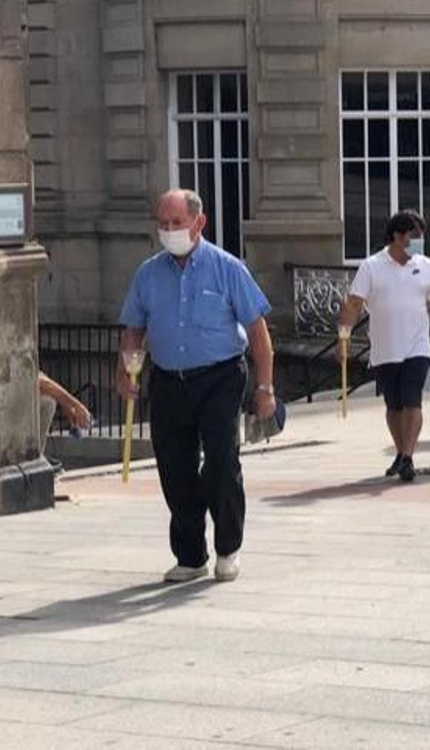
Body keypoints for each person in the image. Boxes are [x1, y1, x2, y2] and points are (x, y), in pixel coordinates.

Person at [117, 189, 275, 584]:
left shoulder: (227, 268)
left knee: (221, 460)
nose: (169, 231)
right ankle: (189, 555)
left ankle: (227, 548)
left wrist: (265, 388)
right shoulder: (148, 274)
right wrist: (124, 370)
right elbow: (133, 330)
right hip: (169, 379)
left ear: (198, 223)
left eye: (177, 223)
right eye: (163, 223)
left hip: (220, 377)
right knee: (175, 468)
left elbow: (257, 331)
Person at [338, 210, 430, 483]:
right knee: (393, 405)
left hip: (417, 346)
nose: (418, 242)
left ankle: (408, 456)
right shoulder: (371, 266)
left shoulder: (425, 265)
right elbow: (354, 303)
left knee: (412, 400)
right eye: (413, 236)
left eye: (420, 236)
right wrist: (343, 338)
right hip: (385, 348)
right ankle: (400, 451)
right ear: (397, 236)